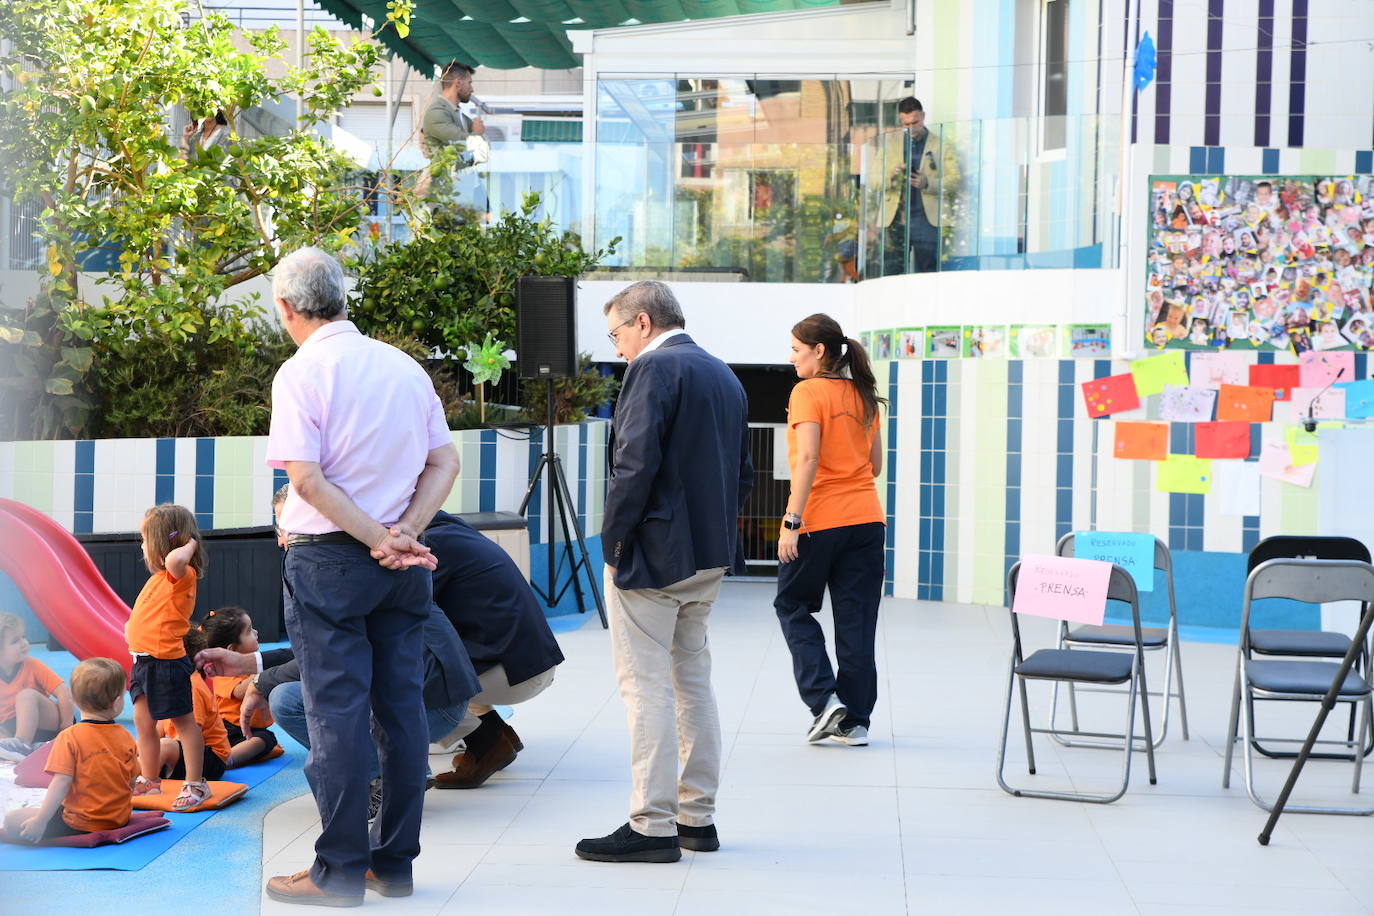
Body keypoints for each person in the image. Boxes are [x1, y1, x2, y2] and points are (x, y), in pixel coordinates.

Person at [263, 246, 459, 906]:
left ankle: (340, 872)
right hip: (402, 568)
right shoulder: (404, 368)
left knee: (336, 718)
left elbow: (306, 480)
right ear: (342, 299)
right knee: (401, 714)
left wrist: (379, 537)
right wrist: (405, 534)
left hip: (331, 564)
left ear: (287, 308)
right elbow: (445, 463)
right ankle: (393, 864)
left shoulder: (301, 373)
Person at [575, 280, 752, 864]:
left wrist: (613, 541)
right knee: (692, 680)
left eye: (617, 333)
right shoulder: (724, 374)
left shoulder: (652, 371)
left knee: (644, 686)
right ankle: (696, 819)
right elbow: (744, 473)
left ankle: (651, 825)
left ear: (644, 322)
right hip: (708, 554)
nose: (618, 347)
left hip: (653, 555)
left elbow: (633, 464)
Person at [774, 315, 887, 747]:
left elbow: (808, 460)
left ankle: (824, 702)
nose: (791, 358)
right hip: (866, 520)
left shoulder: (807, 391)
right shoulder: (864, 395)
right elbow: (874, 466)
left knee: (792, 605)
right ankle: (854, 722)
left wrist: (791, 522)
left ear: (819, 351)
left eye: (796, 350)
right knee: (857, 623)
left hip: (819, 520)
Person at [426, 510, 564, 790]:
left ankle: (484, 742)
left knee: (397, 673)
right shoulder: (450, 529)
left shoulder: (429, 545)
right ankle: (499, 732)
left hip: (512, 674)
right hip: (532, 664)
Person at [125, 504, 208, 811]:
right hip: (144, 663)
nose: (143, 546)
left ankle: (196, 782)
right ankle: (149, 778)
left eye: (146, 539)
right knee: (144, 724)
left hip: (166, 664)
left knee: (184, 723)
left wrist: (189, 541)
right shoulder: (161, 576)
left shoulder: (181, 573)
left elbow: (175, 555)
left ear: (162, 543)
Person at [3, 658, 137, 843]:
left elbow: (61, 783)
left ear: (73, 699)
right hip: (119, 819)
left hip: (80, 822)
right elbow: (131, 781)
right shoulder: (126, 736)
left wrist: (40, 821)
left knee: (12, 820)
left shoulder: (69, 737)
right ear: (116, 703)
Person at [201, 607, 280, 766]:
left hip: (248, 730)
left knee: (265, 739)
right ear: (232, 649)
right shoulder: (221, 671)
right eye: (249, 631)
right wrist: (269, 674)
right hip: (225, 727)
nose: (256, 632)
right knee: (262, 740)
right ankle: (222, 760)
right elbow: (240, 690)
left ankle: (228, 758)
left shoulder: (254, 665)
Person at [884, 97, 955, 275]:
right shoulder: (890, 145)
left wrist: (928, 183)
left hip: (927, 221)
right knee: (892, 272)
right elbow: (874, 179)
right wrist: (891, 176)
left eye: (915, 122)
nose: (911, 128)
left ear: (923, 116)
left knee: (928, 272)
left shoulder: (941, 145)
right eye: (905, 124)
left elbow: (954, 181)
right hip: (896, 220)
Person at [158, 628, 231, 781]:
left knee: (164, 746)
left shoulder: (191, 686)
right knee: (141, 747)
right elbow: (159, 725)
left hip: (210, 759)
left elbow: (191, 732)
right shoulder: (170, 683)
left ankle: (130, 780)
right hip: (185, 749)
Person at [0, 613, 73, 758]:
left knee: (26, 695)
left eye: (24, 636)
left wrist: (66, 727)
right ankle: (17, 750)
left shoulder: (32, 665)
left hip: (47, 723)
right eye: (15, 641)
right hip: (13, 728)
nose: (24, 643)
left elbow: (63, 692)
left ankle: (22, 745)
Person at [418, 61, 484, 209]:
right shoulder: (437, 112)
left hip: (462, 195)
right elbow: (460, 145)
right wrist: (476, 134)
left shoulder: (462, 116)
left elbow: (482, 152)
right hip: (444, 197)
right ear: (458, 83)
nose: (472, 89)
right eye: (469, 83)